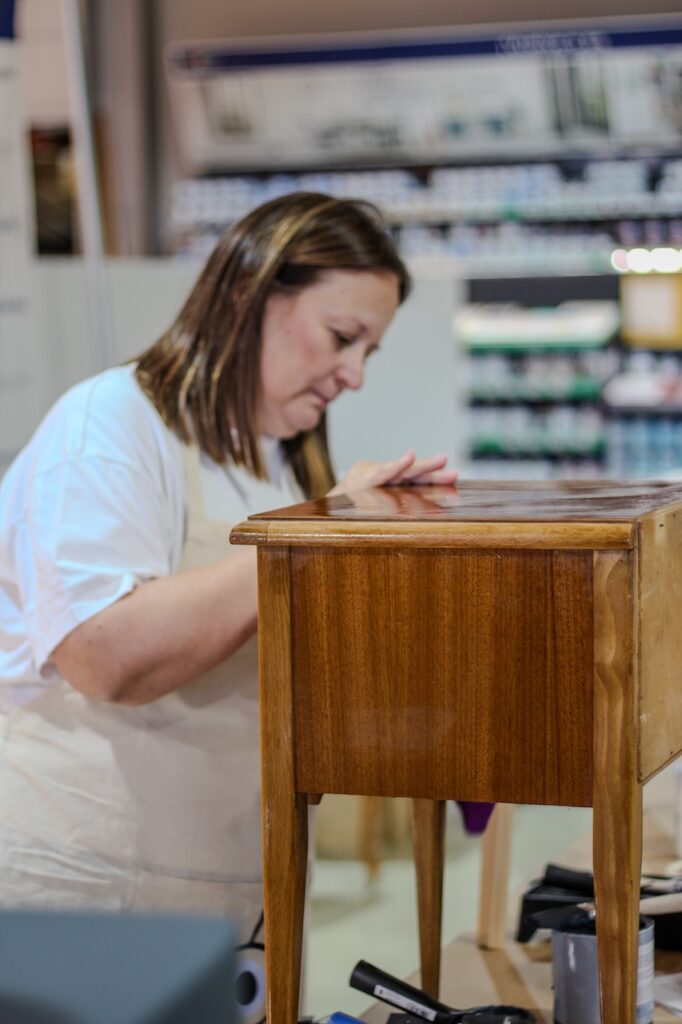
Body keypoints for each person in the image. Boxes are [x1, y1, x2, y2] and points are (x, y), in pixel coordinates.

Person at [0, 193, 456, 935]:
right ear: (249, 293)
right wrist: (314, 538)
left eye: (368, 352)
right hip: (84, 886)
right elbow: (104, 656)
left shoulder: (281, 470)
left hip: (230, 890)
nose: (354, 375)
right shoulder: (112, 424)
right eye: (341, 337)